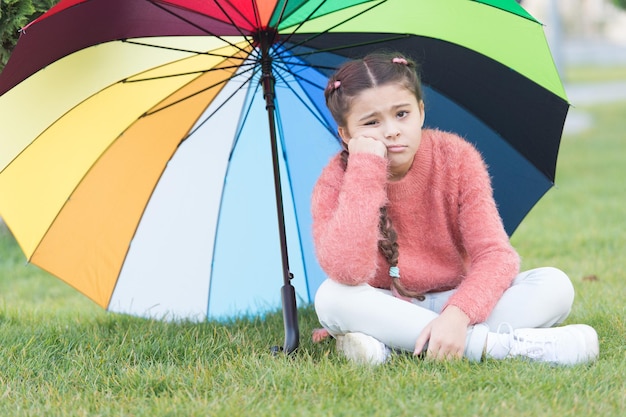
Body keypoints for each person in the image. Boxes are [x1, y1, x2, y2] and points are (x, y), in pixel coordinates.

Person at [311, 52, 599, 366]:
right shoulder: (335, 180)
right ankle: (499, 346)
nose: (391, 130)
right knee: (331, 298)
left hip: (458, 297)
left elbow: (495, 256)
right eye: (371, 122)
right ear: (346, 134)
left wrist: (458, 316)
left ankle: (392, 345)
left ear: (420, 112)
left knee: (554, 285)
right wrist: (365, 170)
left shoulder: (457, 158)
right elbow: (347, 272)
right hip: (388, 304)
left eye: (402, 114)